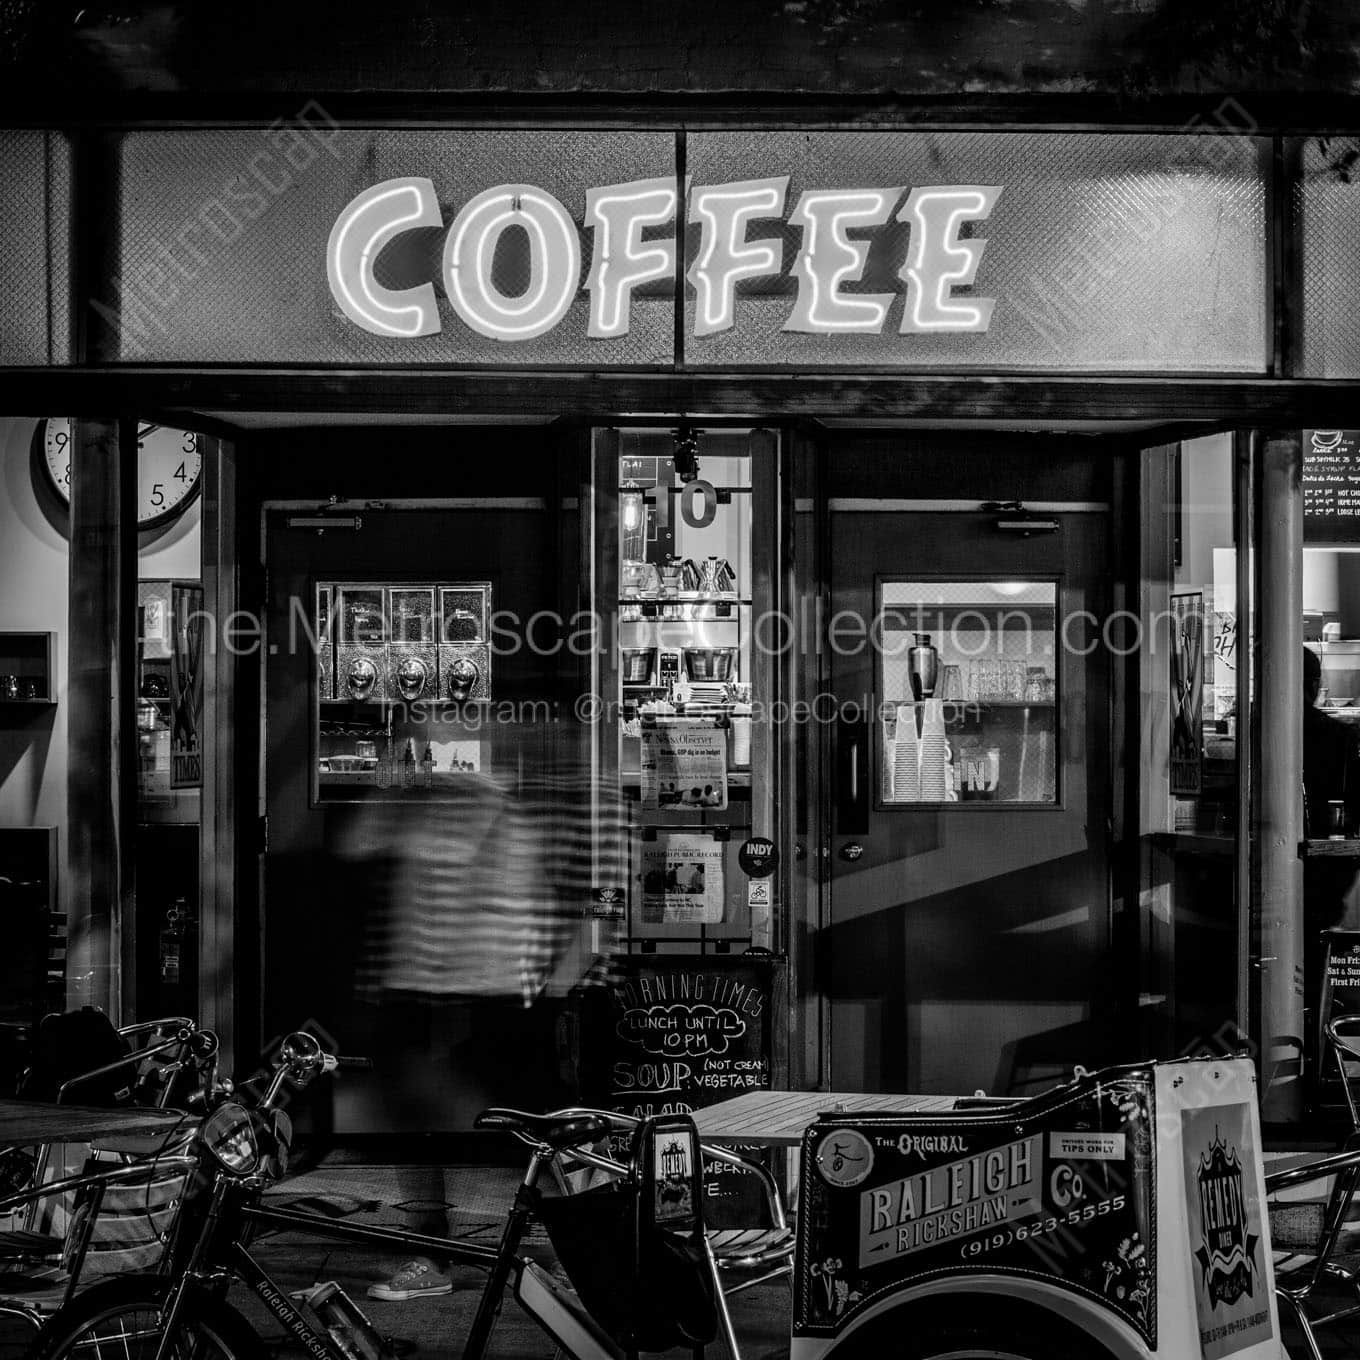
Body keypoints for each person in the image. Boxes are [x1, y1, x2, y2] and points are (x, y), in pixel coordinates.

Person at [1303, 645, 1360, 1068]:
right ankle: (1322, 1057)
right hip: (1327, 875)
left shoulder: (1253, 731)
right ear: (1314, 684)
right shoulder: (1340, 738)